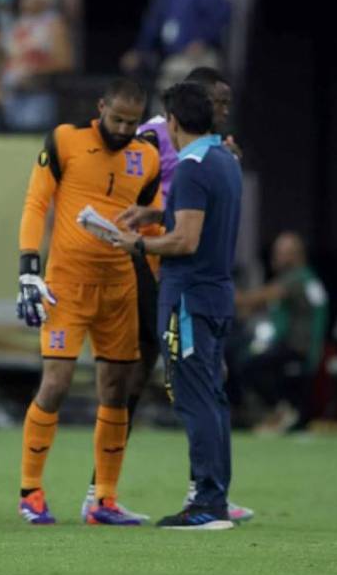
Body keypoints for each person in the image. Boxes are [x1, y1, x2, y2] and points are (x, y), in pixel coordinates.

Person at [79, 66, 254, 524]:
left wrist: (135, 242)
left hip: (186, 290)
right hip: (213, 290)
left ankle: (205, 502)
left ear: (174, 119)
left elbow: (186, 239)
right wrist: (155, 213)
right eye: (219, 103)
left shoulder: (195, 165)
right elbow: (192, 218)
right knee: (208, 392)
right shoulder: (226, 162)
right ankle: (210, 493)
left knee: (191, 395)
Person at [14, 77, 162, 526]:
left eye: (132, 122)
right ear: (101, 107)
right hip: (68, 286)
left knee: (115, 391)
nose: (123, 128)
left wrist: (145, 244)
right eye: (117, 118)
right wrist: (28, 268)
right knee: (55, 384)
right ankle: (31, 491)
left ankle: (104, 500)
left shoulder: (148, 156)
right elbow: (36, 204)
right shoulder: (65, 140)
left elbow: (152, 227)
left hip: (120, 287)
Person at [234, 231, 329, 432]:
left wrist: (222, 295)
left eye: (283, 253)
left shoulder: (298, 278)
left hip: (297, 347)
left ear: (297, 255)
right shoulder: (300, 278)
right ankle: (280, 411)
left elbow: (259, 297)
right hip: (295, 345)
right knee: (247, 351)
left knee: (247, 364)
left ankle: (281, 408)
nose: (276, 257)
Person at [2, 0, 73, 131]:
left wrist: (34, 72)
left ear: (44, 0)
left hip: (37, 95)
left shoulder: (54, 25)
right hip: (12, 94)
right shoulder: (19, 22)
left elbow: (65, 62)